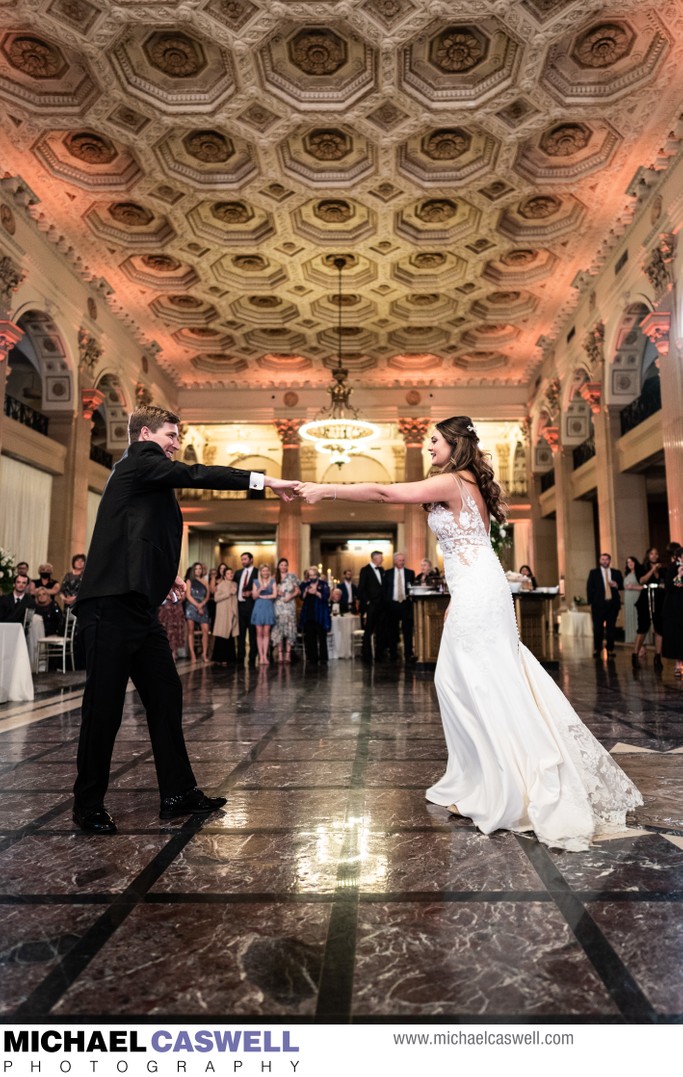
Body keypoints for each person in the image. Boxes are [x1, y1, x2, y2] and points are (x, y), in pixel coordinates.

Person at [296, 415, 642, 851]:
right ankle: (483, 776)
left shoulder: (453, 481)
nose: (429, 448)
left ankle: (503, 784)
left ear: (455, 444)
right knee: (466, 679)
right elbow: (469, 551)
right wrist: (457, 597)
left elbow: (386, 493)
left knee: (476, 681)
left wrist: (324, 489)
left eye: (435, 441)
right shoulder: (467, 485)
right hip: (477, 586)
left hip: (481, 587)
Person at [72, 404, 297, 835]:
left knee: (166, 694)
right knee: (103, 709)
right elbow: (197, 476)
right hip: (109, 607)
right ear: (144, 435)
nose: (177, 443)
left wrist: (165, 575)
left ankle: (177, 793)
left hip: (138, 607)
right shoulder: (140, 462)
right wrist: (264, 481)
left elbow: (138, 533)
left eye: (178, 437)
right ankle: (87, 804)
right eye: (170, 435)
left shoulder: (146, 479)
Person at [632, 547, 665, 670]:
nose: (654, 555)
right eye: (652, 553)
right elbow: (642, 581)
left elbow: (665, 582)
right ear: (648, 555)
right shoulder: (641, 567)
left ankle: (657, 657)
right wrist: (652, 570)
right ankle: (635, 654)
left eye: (656, 553)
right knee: (643, 628)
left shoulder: (663, 568)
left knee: (659, 629)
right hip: (646, 599)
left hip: (659, 599)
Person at [586, 553, 623, 659]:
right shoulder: (594, 573)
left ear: (610, 561)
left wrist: (616, 585)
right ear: (599, 561)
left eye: (607, 559)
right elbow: (589, 588)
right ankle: (597, 649)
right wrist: (591, 603)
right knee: (598, 628)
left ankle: (610, 649)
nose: (605, 561)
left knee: (611, 628)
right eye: (603, 559)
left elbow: (621, 585)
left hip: (612, 604)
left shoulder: (616, 572)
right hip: (598, 605)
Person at [383, 552, 416, 661]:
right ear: (395, 561)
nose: (402, 562)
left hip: (405, 604)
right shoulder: (387, 573)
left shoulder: (410, 573)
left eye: (403, 560)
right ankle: (393, 653)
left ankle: (408, 653)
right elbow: (385, 589)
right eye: (399, 560)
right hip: (392, 605)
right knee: (392, 630)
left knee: (407, 630)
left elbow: (412, 588)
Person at [358, 550, 386, 663]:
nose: (382, 559)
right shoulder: (365, 570)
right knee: (368, 630)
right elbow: (361, 588)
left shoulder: (382, 570)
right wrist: (367, 602)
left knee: (381, 631)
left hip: (381, 605)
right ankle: (367, 655)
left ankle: (379, 655)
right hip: (371, 605)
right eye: (381, 557)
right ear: (374, 558)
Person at [299, 566, 330, 665]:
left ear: (317, 575)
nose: (312, 577)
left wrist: (316, 592)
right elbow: (302, 598)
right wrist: (306, 591)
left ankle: (323, 658)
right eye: (310, 575)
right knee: (310, 637)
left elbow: (325, 597)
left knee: (322, 637)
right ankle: (312, 658)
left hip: (320, 614)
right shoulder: (305, 584)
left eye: (314, 575)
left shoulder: (323, 584)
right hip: (309, 613)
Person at [272, 557, 300, 663]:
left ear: (287, 566)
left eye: (285, 565)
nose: (283, 567)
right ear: (278, 566)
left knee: (289, 630)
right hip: (278, 606)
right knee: (279, 630)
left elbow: (297, 591)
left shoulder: (292, 576)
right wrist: (276, 593)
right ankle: (279, 654)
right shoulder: (274, 577)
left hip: (289, 606)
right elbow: (270, 591)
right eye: (281, 565)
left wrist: (291, 596)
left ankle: (288, 655)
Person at [662, 545, 683, 677]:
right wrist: (679, 575)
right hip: (675, 607)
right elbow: (669, 587)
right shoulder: (672, 569)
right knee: (677, 636)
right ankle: (678, 664)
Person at [184, 562, 211, 663]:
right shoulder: (189, 581)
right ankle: (193, 655)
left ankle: (204, 654)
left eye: (200, 569)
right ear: (193, 570)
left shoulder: (205, 582)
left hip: (203, 607)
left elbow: (207, 596)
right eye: (196, 569)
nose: (198, 570)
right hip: (191, 607)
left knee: (206, 630)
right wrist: (197, 605)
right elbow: (188, 596)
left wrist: (202, 604)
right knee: (190, 631)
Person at [250, 563, 277, 666]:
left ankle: (265, 655)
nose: (265, 572)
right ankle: (260, 656)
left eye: (267, 570)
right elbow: (254, 596)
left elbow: (274, 595)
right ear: (260, 572)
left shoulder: (272, 581)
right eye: (263, 571)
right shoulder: (256, 582)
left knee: (266, 632)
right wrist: (260, 589)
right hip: (258, 607)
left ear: (269, 572)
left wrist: (266, 597)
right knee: (259, 632)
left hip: (268, 606)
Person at [212, 566, 239, 665]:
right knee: (222, 635)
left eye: (231, 573)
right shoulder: (220, 585)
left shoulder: (235, 584)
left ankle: (230, 658)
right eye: (228, 573)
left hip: (232, 612)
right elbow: (216, 598)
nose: (230, 575)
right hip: (223, 613)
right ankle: (220, 658)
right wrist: (228, 593)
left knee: (230, 635)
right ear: (224, 575)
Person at [235, 551, 257, 666]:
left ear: (251, 559)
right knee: (241, 634)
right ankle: (240, 656)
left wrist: (252, 592)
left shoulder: (257, 572)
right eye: (242, 559)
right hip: (240, 606)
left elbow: (261, 587)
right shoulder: (238, 573)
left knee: (253, 633)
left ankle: (252, 657)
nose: (243, 561)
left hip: (252, 607)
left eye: (245, 559)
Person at [623, 555, 643, 647]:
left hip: (637, 598)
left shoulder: (640, 573)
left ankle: (642, 647)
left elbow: (645, 586)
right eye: (628, 562)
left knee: (638, 621)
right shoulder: (627, 574)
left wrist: (633, 587)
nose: (630, 564)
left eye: (632, 561)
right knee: (631, 621)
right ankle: (636, 645)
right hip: (628, 601)